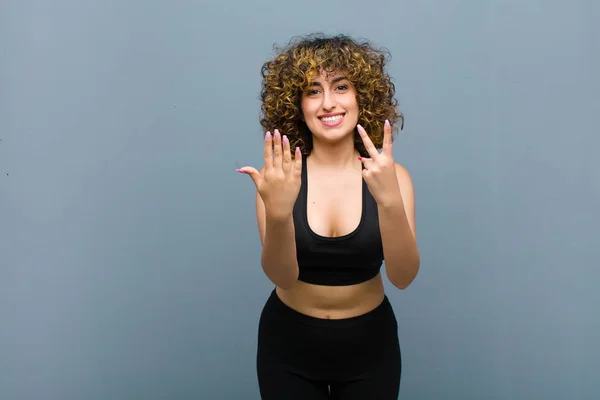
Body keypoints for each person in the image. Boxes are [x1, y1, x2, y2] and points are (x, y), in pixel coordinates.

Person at [237, 33, 420, 400]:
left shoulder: (393, 176)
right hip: (288, 347)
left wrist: (389, 201)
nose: (328, 103)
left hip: (371, 348)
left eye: (340, 87)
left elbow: (402, 277)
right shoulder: (280, 177)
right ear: (297, 105)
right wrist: (277, 212)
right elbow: (282, 276)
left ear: (361, 97)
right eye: (313, 91)